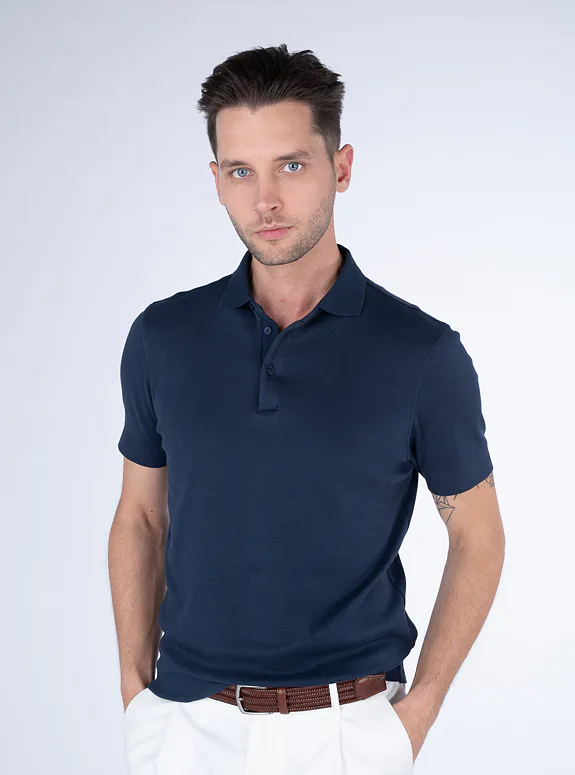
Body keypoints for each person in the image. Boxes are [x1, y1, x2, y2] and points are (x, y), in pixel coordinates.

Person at [109, 43, 505, 775]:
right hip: (184, 729)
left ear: (341, 168)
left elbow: (478, 535)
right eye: (241, 171)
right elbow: (140, 516)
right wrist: (136, 692)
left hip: (347, 732)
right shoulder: (163, 337)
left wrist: (419, 710)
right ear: (216, 180)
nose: (265, 200)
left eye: (290, 166)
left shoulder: (421, 354)